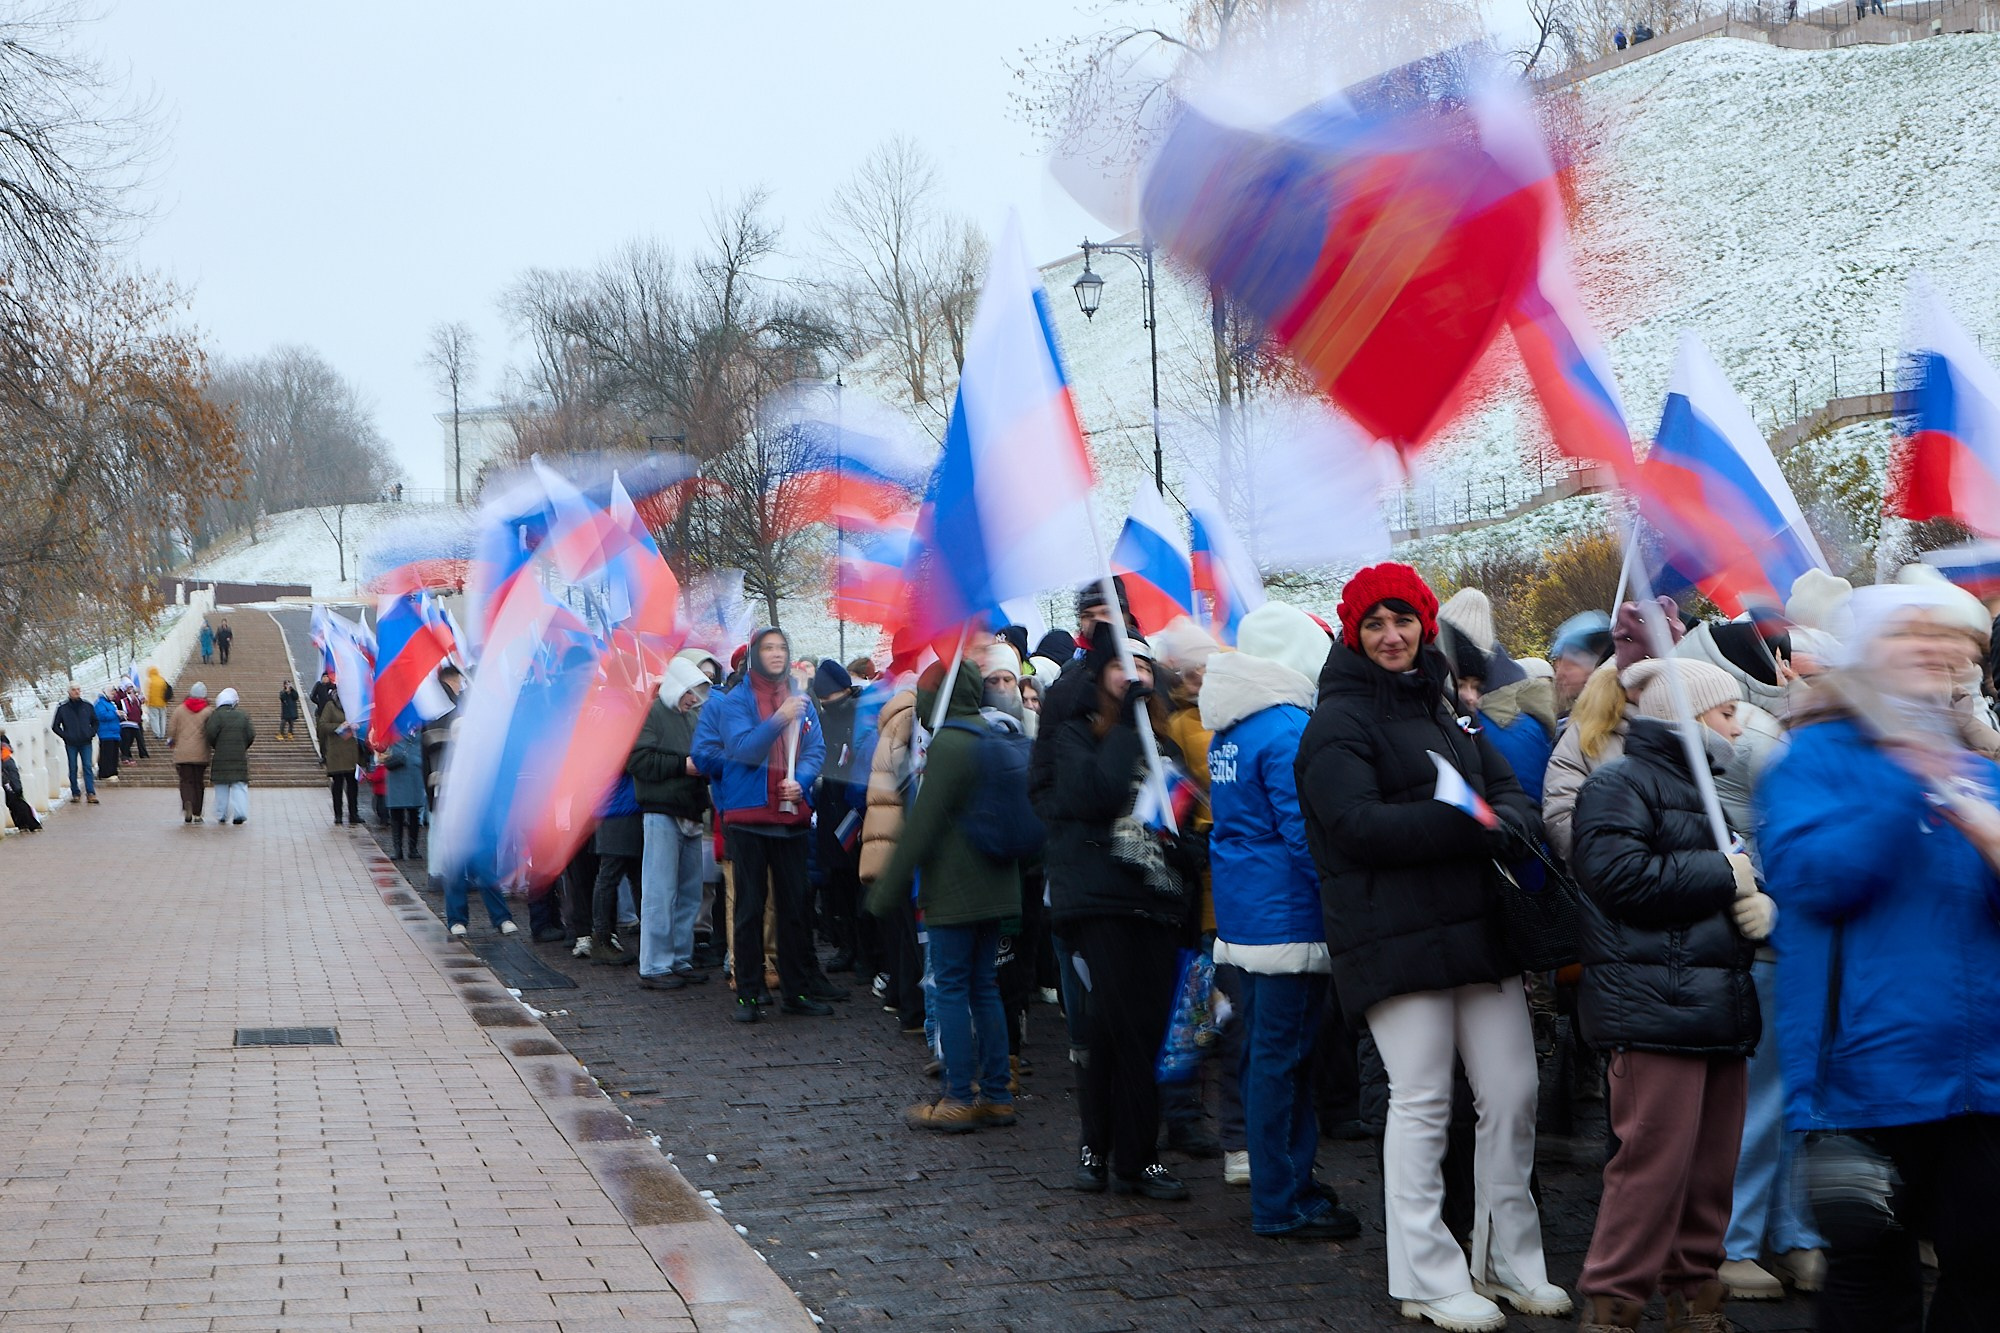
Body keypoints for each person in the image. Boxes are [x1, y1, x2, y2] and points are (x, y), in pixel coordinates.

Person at [1297, 563, 1565, 1332]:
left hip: (1478, 929)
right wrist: (1469, 826)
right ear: (1355, 631)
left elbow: (1506, 790)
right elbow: (1354, 826)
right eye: (1375, 623)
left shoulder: (1445, 704)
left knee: (1514, 1092)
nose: (1392, 636)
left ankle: (1509, 1256)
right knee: (1422, 1101)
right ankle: (1425, 1272)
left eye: (1404, 620)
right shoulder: (1335, 723)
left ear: (1424, 624)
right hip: (1390, 934)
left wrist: (1505, 821)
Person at [1758, 584, 2000, 1333]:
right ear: (1867, 655)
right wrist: (1908, 780)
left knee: (1989, 1278)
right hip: (1860, 1085)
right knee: (1871, 1289)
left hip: (1982, 1083)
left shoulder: (1979, 769)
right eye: (1911, 634)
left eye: (1952, 637)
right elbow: (1814, 881)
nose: (1937, 649)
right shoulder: (1811, 760)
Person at [1569, 657, 1769, 1333]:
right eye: (1725, 712)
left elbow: (1717, 883)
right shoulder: (1620, 782)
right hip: (1651, 1008)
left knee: (1711, 1168)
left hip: (1713, 1003)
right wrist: (1722, 871)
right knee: (1652, 1165)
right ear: (1690, 719)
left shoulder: (1707, 792)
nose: (1737, 726)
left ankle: (1697, 1292)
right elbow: (1618, 877)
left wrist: (1754, 902)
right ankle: (1613, 1300)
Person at [1203, 602, 1364, 1240]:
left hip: (1248, 914)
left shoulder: (1232, 729)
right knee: (1283, 1058)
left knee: (1262, 1056)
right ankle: (1283, 1197)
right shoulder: (1289, 728)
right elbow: (1307, 836)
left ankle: (1286, 1177)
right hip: (1289, 917)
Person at [1045, 622, 1193, 1202]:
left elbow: (1183, 816)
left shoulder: (1166, 746)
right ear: (1099, 676)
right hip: (1100, 897)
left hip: (1156, 900)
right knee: (1110, 1023)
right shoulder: (1073, 738)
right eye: (1120, 668)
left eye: (1145, 670)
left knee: (1142, 1029)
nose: (1135, 678)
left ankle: (1125, 1153)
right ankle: (1110, 1150)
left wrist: (1186, 848)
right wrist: (1130, 732)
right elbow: (1096, 797)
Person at [868, 643, 1025, 1132]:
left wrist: (885, 890)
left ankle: (958, 1096)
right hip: (997, 887)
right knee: (985, 988)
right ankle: (997, 1094)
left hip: (956, 892)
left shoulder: (950, 744)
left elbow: (921, 827)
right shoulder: (991, 736)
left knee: (954, 989)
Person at [693, 625, 835, 1022]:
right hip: (748, 819)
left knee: (794, 909)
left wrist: (801, 782)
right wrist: (779, 719)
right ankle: (749, 994)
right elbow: (741, 750)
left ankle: (795, 992)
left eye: (782, 647)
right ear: (753, 654)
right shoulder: (731, 701)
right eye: (768, 647)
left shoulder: (800, 698)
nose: (777, 654)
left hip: (790, 818)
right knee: (750, 909)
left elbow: (814, 749)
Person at [629, 658, 713, 989]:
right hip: (662, 811)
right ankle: (654, 965)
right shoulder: (651, 712)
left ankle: (679, 958)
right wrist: (684, 765)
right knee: (661, 892)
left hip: (690, 810)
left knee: (689, 893)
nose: (694, 699)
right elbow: (637, 760)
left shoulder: (691, 716)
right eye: (691, 692)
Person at [810, 659, 866, 974]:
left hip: (853, 810)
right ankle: (847, 945)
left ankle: (861, 949)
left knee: (857, 885)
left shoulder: (860, 715)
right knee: (838, 887)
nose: (828, 704)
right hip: (831, 810)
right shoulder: (824, 720)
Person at [202, 687, 255, 825]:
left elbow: (210, 734)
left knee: (221, 786)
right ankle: (240, 813)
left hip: (220, 757)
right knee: (239, 786)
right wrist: (242, 746)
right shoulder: (242, 715)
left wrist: (217, 745)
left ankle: (221, 814)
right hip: (239, 756)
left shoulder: (216, 716)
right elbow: (251, 734)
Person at [1551, 610, 1614, 719]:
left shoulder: (1608, 719)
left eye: (1569, 665)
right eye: (1557, 665)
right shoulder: (1565, 720)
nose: (1559, 675)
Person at [166, 683, 213, 823]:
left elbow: (171, 730)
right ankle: (198, 813)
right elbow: (211, 731)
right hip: (201, 753)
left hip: (182, 753)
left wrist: (172, 741)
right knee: (199, 782)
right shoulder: (208, 711)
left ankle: (187, 803)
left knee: (186, 781)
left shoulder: (179, 710)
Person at [317, 691, 361, 826]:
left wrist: (357, 726)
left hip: (352, 752)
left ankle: (354, 814)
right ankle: (338, 815)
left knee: (353, 785)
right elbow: (322, 725)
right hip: (336, 751)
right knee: (338, 785)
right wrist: (340, 726)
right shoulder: (330, 706)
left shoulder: (354, 706)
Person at [50, 685, 99, 804]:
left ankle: (91, 793)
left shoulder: (87, 706)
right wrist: (66, 736)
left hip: (86, 742)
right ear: (69, 692)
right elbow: (55, 726)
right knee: (73, 767)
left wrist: (91, 733)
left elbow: (95, 722)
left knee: (87, 766)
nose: (77, 692)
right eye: (74, 690)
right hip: (71, 743)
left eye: (78, 690)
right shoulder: (63, 707)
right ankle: (75, 793)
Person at [382, 731, 424, 859]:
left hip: (414, 772)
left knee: (414, 813)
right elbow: (381, 746)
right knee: (396, 813)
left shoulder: (422, 726)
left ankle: (413, 849)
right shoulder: (392, 726)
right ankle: (398, 850)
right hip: (397, 771)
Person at [2, 732, 43, 832]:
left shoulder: (6, 758)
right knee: (14, 802)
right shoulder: (6, 755)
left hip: (9, 782)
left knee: (15, 802)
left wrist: (17, 788)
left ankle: (28, 824)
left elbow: (12, 775)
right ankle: (26, 824)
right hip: (9, 781)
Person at [92, 688, 122, 783]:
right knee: (107, 754)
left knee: (114, 754)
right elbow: (102, 716)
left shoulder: (110, 704)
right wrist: (115, 713)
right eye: (112, 694)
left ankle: (113, 772)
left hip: (114, 733)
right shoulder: (100, 703)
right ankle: (105, 773)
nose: (113, 696)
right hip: (106, 733)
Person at [144, 665, 170, 740]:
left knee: (154, 718)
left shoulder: (149, 681)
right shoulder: (162, 680)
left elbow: (148, 693)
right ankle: (162, 734)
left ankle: (157, 734)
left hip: (152, 704)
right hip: (162, 703)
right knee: (162, 718)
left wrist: (146, 703)